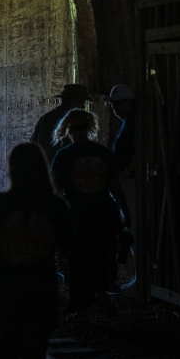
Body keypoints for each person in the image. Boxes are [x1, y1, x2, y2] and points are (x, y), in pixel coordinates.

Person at [0, 143, 78, 359]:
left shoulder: (3, 202)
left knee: (7, 353)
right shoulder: (55, 206)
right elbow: (71, 249)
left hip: (5, 285)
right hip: (40, 286)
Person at [49, 109, 131, 318]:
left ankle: (82, 307)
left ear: (68, 130)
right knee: (101, 259)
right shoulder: (102, 152)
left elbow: (54, 190)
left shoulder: (64, 155)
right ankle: (101, 295)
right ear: (90, 128)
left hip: (76, 217)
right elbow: (114, 186)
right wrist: (125, 213)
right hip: (105, 216)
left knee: (76, 262)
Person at [107, 84, 137, 289]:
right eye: (112, 104)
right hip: (124, 179)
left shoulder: (132, 122)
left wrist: (128, 170)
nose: (114, 108)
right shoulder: (128, 121)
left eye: (117, 104)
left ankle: (140, 278)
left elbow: (139, 148)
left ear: (128, 102)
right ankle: (138, 276)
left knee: (132, 225)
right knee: (130, 225)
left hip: (128, 181)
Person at [30, 84, 90, 160]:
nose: (83, 107)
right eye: (82, 102)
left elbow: (33, 144)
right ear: (72, 100)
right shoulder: (69, 120)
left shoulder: (45, 117)